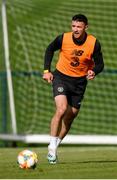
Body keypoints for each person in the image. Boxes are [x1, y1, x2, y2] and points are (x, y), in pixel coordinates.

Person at [43, 14, 104, 164]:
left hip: (79, 84)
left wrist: (94, 71)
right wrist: (46, 71)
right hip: (61, 78)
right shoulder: (63, 38)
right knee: (61, 109)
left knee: (70, 117)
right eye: (73, 26)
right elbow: (49, 49)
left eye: (79, 27)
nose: (75, 29)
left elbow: (100, 64)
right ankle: (52, 147)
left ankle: (56, 144)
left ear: (86, 27)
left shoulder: (94, 43)